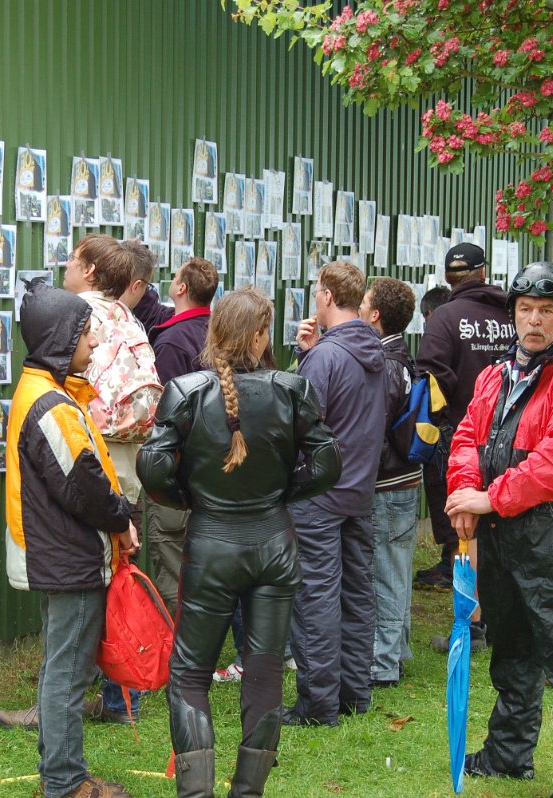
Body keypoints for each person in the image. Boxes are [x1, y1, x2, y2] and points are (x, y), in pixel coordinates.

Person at [138, 288, 341, 798]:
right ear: (257, 335)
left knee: (189, 672)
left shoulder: (185, 390)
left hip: (212, 545)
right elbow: (327, 463)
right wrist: (279, 495)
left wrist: (189, 499)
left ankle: (197, 794)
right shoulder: (293, 388)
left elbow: (153, 467)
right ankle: (247, 793)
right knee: (265, 667)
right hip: (274, 543)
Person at [446, 262, 553, 798]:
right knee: (512, 649)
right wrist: (465, 496)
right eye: (525, 309)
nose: (534, 321)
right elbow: (467, 436)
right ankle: (508, 752)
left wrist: (489, 497)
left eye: (546, 310)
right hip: (503, 534)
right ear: (513, 314)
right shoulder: (493, 377)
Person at [0, 235, 154, 731]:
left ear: (88, 272)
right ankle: (116, 694)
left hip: (87, 464)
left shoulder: (75, 318)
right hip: (121, 467)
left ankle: (64, 706)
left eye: (71, 260)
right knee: (112, 594)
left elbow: (76, 479)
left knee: (77, 616)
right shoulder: (127, 317)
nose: (90, 344)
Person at [285, 261, 385, 727]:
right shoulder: (372, 350)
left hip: (321, 493)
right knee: (356, 594)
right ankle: (353, 692)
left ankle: (318, 704)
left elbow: (300, 422)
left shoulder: (327, 357)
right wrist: (312, 353)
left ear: (325, 295)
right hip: (359, 489)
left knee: (317, 596)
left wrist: (311, 359)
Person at [414, 244, 512, 601]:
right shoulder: (513, 313)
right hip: (514, 439)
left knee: (465, 528)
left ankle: (472, 615)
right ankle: (497, 604)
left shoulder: (444, 318)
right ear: (484, 273)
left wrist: (442, 429)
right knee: (506, 520)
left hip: (464, 442)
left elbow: (431, 382)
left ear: (447, 278)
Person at [141, 257, 218, 613]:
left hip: (179, 468)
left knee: (171, 559)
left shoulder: (172, 343)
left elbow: (169, 414)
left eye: (172, 276)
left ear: (182, 288)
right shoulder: (216, 331)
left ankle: (178, 654)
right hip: (212, 467)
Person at [358, 277, 422, 689]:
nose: (360, 308)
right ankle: (396, 649)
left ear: (376, 314)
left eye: (364, 303)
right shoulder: (404, 356)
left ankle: (382, 665)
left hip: (388, 483)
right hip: (405, 480)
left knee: (385, 574)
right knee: (397, 569)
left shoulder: (385, 364)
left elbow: (373, 429)